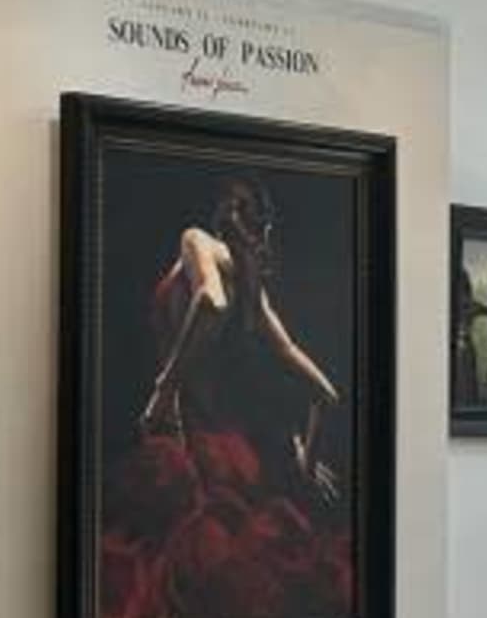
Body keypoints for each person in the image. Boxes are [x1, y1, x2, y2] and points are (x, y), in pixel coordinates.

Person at [138, 177, 342, 502]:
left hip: (190, 436)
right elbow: (326, 395)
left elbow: (211, 302)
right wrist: (308, 463)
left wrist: (162, 392)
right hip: (226, 448)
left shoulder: (197, 241)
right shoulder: (255, 300)